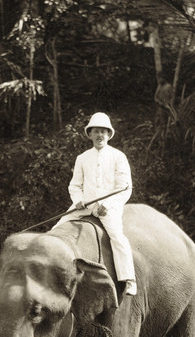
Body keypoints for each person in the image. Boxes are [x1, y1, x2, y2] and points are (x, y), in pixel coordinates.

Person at [56, 112, 136, 296]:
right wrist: (78, 201)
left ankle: (129, 279)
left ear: (109, 134)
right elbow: (74, 186)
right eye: (96, 131)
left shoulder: (118, 156)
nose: (100, 135)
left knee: (117, 237)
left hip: (109, 208)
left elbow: (125, 188)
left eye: (103, 131)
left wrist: (107, 204)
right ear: (90, 134)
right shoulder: (82, 158)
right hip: (85, 205)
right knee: (57, 227)